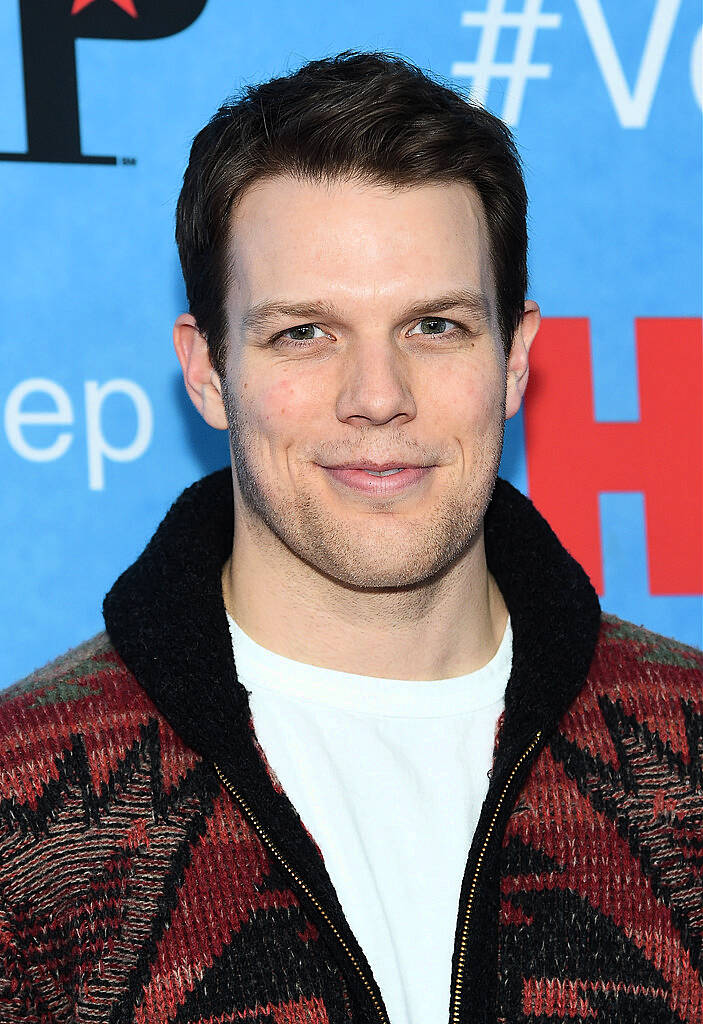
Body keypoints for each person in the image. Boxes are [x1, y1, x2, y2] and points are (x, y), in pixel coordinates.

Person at [1, 49, 701, 1024]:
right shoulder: (21, 810)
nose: (378, 397)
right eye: (304, 333)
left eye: (434, 326)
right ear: (205, 372)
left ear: (515, 360)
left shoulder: (691, 754)